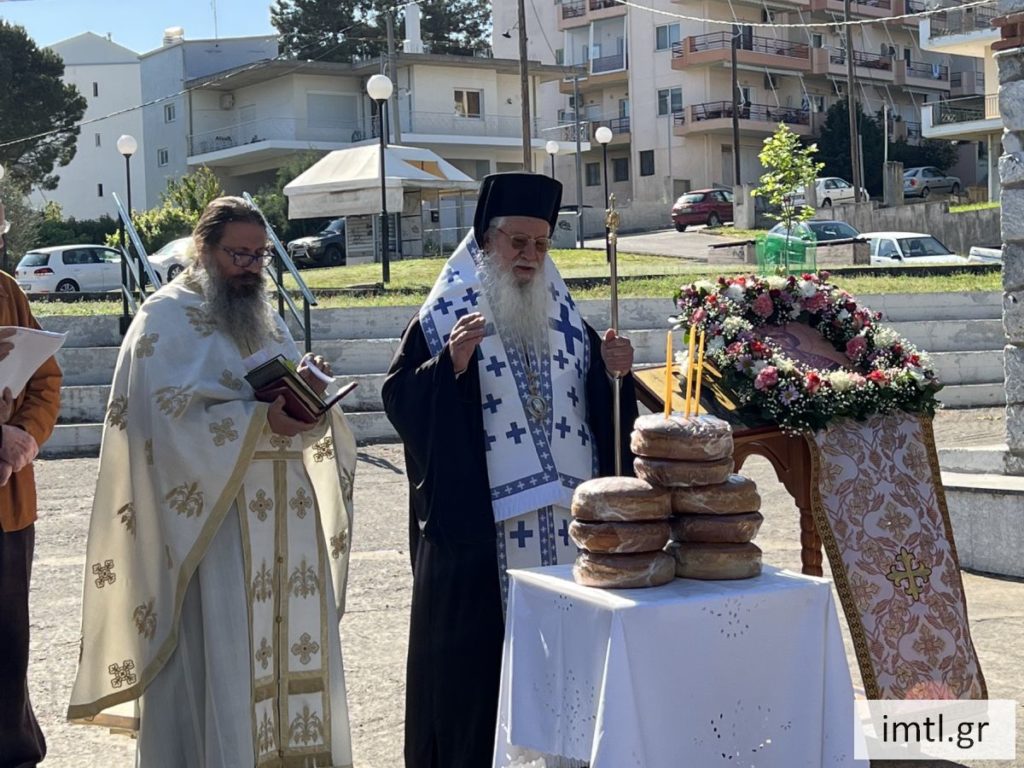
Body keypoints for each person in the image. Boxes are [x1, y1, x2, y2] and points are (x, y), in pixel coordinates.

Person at [68, 197, 358, 767]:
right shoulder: (164, 317)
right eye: (238, 254)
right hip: (213, 524)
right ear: (203, 250)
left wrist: (313, 401)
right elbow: (161, 424)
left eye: (260, 255)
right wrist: (256, 421)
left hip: (285, 514)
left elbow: (287, 405)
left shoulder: (264, 318)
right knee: (223, 660)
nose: (250, 266)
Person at [382, 172, 638, 767]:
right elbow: (402, 401)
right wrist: (451, 366)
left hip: (566, 531)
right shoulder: (442, 316)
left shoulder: (567, 317)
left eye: (541, 245)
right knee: (479, 689)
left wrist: (612, 372)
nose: (528, 257)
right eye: (516, 243)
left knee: (567, 678)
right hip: (484, 536)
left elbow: (603, 409)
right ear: (485, 241)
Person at [0, 203, 62, 768]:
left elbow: (44, 378)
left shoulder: (6, 288)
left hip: (8, 502)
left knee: (6, 638)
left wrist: (22, 435)